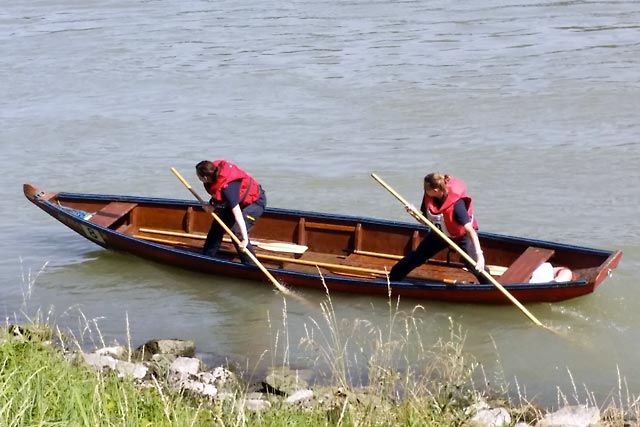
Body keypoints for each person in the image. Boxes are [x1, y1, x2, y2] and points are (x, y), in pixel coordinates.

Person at [389, 172, 490, 284]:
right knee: (416, 257)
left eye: (426, 188)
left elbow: (470, 230)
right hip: (440, 233)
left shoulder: (456, 205)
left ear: (436, 190)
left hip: (461, 236)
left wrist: (480, 256)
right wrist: (414, 213)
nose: (425, 190)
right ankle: (392, 280)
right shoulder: (429, 196)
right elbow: (426, 221)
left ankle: (489, 287)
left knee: (475, 265)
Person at [195, 159, 266, 264]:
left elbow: (237, 214)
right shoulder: (214, 175)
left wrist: (245, 240)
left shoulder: (228, 189)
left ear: (205, 178)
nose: (199, 179)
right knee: (218, 226)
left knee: (238, 233)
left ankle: (251, 265)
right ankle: (208, 257)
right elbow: (218, 197)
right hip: (236, 202)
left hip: (254, 203)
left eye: (199, 177)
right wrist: (211, 206)